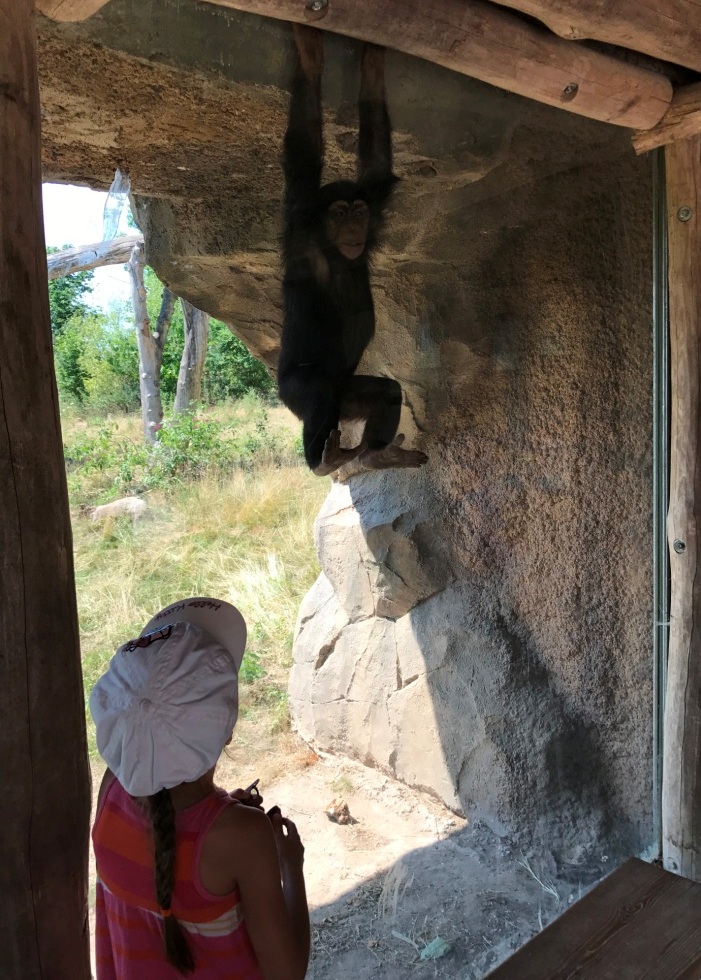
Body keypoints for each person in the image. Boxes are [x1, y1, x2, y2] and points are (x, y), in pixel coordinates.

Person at [90, 597, 310, 980]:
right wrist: (290, 865)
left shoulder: (111, 790)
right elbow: (287, 973)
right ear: (226, 731)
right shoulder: (243, 839)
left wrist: (227, 816)